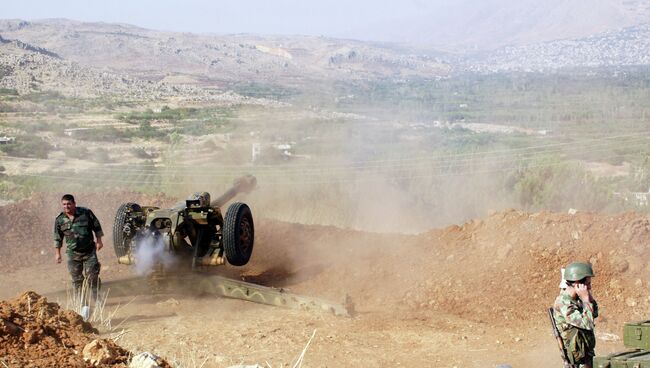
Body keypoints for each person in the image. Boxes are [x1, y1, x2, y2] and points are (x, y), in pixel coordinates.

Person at [54, 194, 104, 302]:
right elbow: (58, 237)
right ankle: (82, 303)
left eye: (68, 204)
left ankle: (97, 297)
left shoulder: (85, 213)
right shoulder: (60, 219)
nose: (66, 206)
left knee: (92, 276)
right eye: (64, 204)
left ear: (74, 204)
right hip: (73, 253)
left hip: (89, 251)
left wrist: (99, 240)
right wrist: (58, 253)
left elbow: (96, 226)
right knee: (77, 279)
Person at [553, 262, 598, 368]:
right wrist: (586, 300)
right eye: (587, 284)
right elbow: (587, 323)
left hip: (585, 354)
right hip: (577, 360)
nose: (590, 287)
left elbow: (594, 313)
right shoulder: (564, 303)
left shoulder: (577, 299)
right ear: (577, 283)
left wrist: (588, 297)